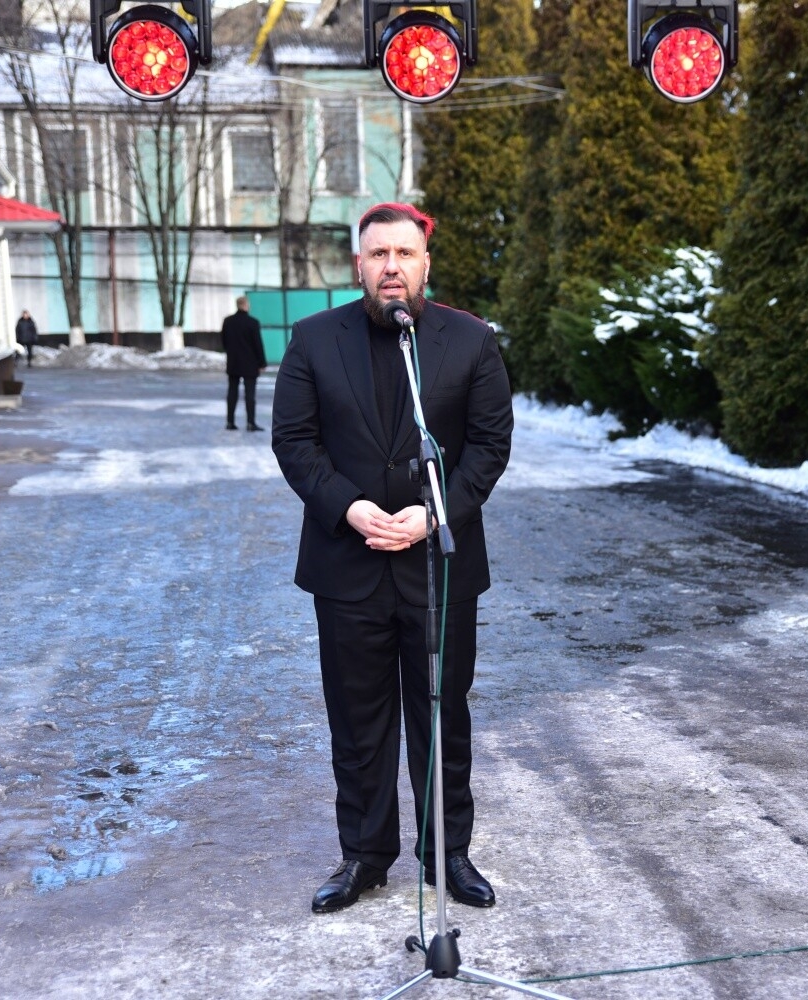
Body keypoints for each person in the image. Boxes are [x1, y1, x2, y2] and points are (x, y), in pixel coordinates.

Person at [270, 203, 513, 914]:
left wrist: (434, 513)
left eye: (405, 254)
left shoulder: (470, 340)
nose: (392, 268)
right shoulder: (314, 339)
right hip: (348, 566)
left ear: (425, 264)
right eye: (379, 255)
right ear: (359, 264)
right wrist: (348, 506)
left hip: (438, 567)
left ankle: (448, 854)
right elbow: (294, 441)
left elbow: (489, 445)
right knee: (358, 721)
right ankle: (364, 856)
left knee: (442, 716)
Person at [222, 296, 267, 431]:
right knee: (250, 395)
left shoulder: (228, 321)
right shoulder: (252, 322)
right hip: (250, 364)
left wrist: (231, 353)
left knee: (232, 393)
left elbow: (224, 341)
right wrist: (262, 362)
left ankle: (230, 422)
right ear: (246, 305)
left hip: (233, 363)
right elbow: (257, 344)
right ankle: (250, 423)